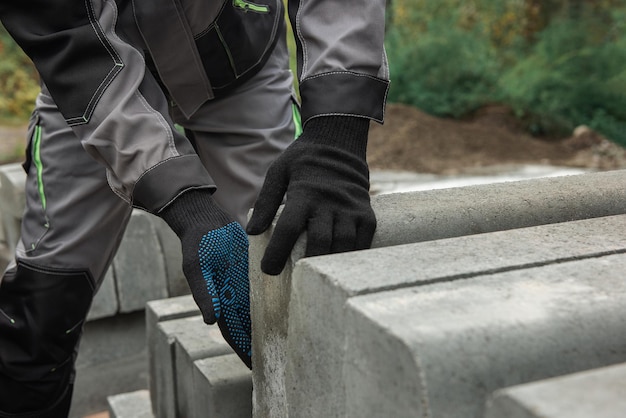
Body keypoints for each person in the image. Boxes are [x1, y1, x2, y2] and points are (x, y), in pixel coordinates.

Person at [0, 0, 389, 416]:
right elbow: (65, 32)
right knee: (41, 307)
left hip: (237, 61)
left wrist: (337, 128)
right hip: (92, 84)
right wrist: (185, 204)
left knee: (288, 265)